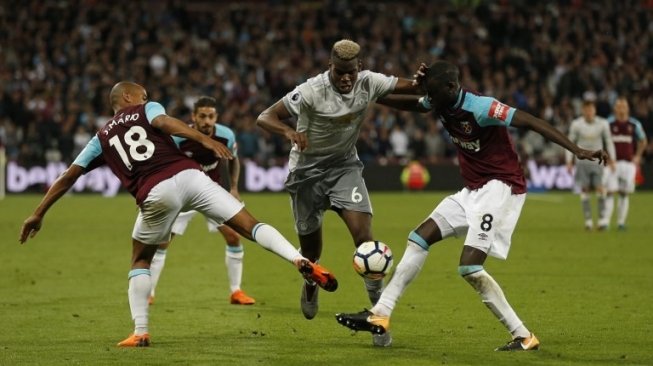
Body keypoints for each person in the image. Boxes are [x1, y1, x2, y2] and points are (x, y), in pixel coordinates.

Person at [19, 81, 337, 348]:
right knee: (249, 225)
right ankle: (299, 260)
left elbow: (68, 176)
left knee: (140, 258)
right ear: (127, 98)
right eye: (142, 95)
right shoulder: (147, 108)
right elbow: (163, 123)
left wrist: (38, 213)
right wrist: (202, 138)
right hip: (191, 176)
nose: (145, 99)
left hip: (155, 193)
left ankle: (140, 331)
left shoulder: (100, 138)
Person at [335, 61, 608, 351]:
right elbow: (413, 104)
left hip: (500, 188)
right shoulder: (440, 99)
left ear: (451, 88)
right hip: (473, 191)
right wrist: (367, 90)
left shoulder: (482, 108)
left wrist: (576, 150)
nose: (429, 100)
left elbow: (530, 121)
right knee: (418, 238)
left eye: (433, 93)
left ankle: (524, 336)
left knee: (470, 267)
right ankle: (381, 314)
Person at [256, 39, 425, 347]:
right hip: (305, 175)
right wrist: (289, 131)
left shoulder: (369, 82)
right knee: (310, 253)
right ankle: (311, 281)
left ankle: (379, 319)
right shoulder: (311, 90)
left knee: (366, 243)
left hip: (345, 169)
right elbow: (265, 117)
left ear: (358, 67)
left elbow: (411, 88)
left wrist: (423, 81)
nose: (347, 79)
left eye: (352, 72)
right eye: (340, 73)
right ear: (330, 68)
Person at [148, 96, 255, 306]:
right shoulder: (178, 138)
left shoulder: (226, 135)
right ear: (193, 117)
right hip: (182, 196)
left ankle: (236, 292)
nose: (207, 121)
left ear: (216, 117)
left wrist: (233, 188)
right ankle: (149, 292)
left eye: (211, 116)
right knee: (162, 242)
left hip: (212, 192)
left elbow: (234, 160)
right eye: (203, 116)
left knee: (234, 236)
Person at [564, 99, 615, 231]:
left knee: (599, 188)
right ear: (583, 111)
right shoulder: (577, 124)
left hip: (598, 162)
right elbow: (570, 142)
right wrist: (568, 161)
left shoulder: (603, 124)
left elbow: (608, 141)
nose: (589, 112)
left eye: (591, 109)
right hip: (582, 162)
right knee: (584, 190)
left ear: (595, 110)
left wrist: (613, 158)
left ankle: (603, 220)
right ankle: (588, 221)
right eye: (586, 110)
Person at [602, 97, 648, 230]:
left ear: (628, 108)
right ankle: (605, 222)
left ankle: (621, 222)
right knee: (610, 192)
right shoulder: (608, 123)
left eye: (624, 106)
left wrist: (638, 156)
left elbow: (643, 141)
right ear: (615, 108)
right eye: (619, 106)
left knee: (624, 193)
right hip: (612, 164)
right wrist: (607, 158)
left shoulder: (634, 124)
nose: (621, 108)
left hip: (628, 164)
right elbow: (602, 142)